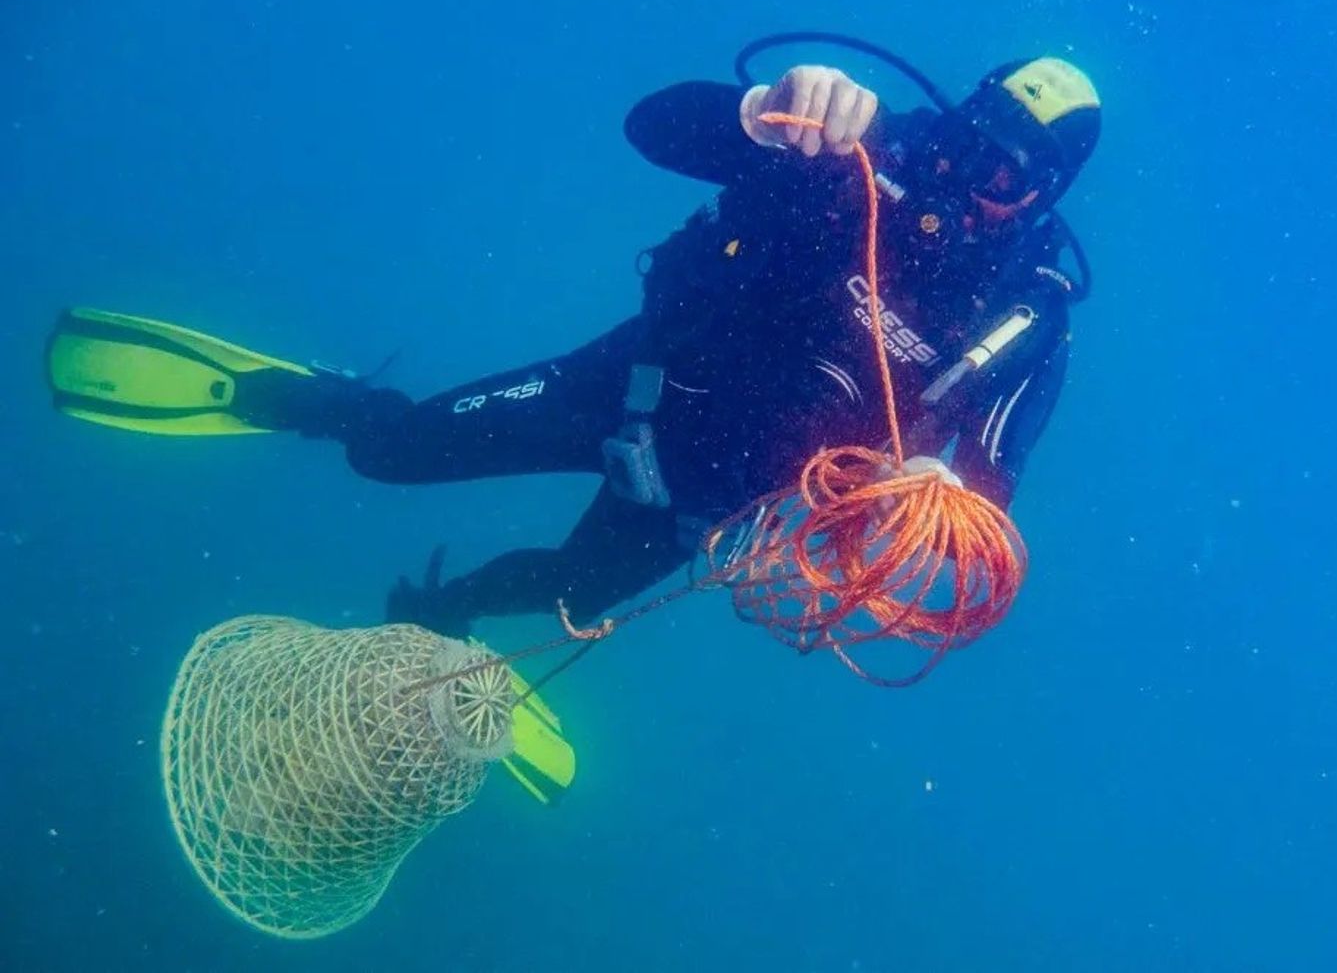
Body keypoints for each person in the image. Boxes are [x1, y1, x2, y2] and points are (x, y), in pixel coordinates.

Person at [46, 53, 1101, 639]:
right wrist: (760, 110)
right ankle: (314, 401)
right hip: (629, 384)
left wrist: (934, 494)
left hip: (709, 493)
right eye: (967, 145)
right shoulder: (855, 146)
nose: (964, 183)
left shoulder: (1027, 318)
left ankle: (442, 613)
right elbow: (653, 127)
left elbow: (988, 501)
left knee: (564, 601)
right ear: (951, 117)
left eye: (1004, 178)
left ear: (1043, 200)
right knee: (392, 456)